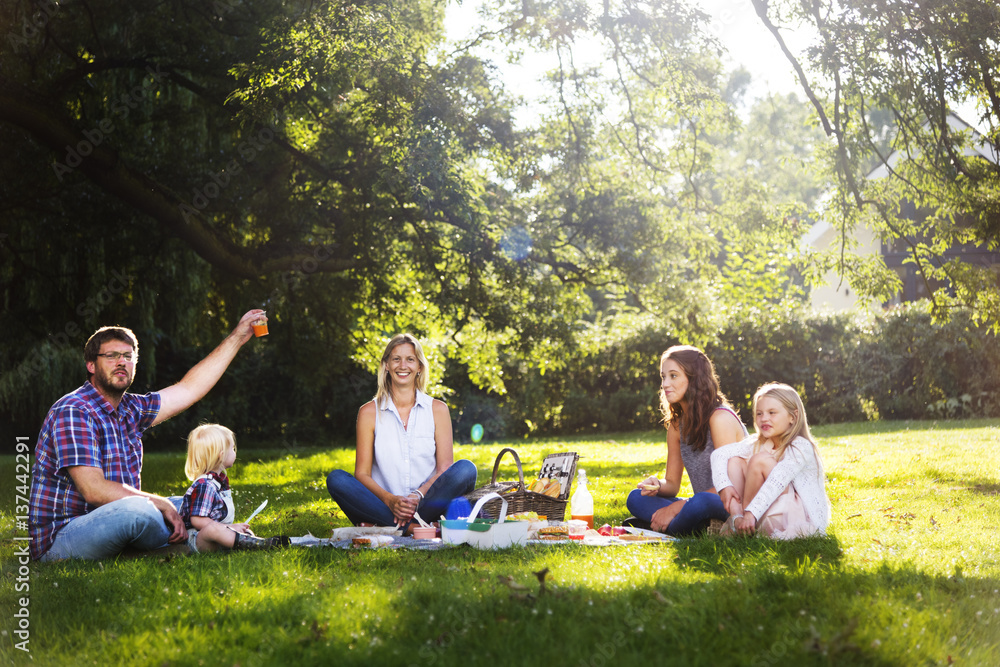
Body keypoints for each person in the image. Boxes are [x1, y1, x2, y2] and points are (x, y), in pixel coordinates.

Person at [29, 309, 266, 561]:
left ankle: (203, 533)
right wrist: (161, 504)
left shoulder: (132, 408)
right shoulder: (74, 410)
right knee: (140, 511)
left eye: (128, 356)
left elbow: (189, 388)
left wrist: (239, 336)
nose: (121, 362)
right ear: (91, 365)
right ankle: (192, 543)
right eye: (111, 356)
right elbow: (94, 490)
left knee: (204, 503)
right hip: (63, 535)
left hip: (115, 516)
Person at [326, 333, 477, 531]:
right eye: (396, 359)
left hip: (426, 503)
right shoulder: (368, 412)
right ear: (386, 365)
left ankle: (384, 525)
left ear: (419, 367)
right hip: (382, 503)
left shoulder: (438, 409)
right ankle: (416, 528)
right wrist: (390, 500)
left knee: (466, 469)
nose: (403, 365)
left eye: (410, 359)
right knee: (336, 479)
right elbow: (362, 474)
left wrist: (418, 495)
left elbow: (445, 467)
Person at [626, 345, 747, 535]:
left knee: (699, 502)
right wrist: (657, 485)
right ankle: (696, 527)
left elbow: (732, 488)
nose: (665, 384)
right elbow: (673, 484)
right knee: (635, 498)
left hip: (730, 502)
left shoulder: (720, 418)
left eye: (673, 376)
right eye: (663, 377)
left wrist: (675, 508)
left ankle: (665, 528)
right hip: (697, 505)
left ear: (694, 379)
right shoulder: (676, 425)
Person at [711, 383, 831, 539]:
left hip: (795, 515)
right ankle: (738, 521)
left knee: (760, 461)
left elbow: (776, 482)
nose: (764, 418)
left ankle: (744, 526)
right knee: (734, 461)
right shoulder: (758, 442)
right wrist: (725, 488)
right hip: (762, 508)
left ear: (792, 417)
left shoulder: (800, 446)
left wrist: (751, 513)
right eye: (759, 413)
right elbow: (718, 455)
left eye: (772, 412)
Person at [179, 423, 289, 552]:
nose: (234, 452)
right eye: (232, 449)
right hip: (195, 541)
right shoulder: (205, 485)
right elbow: (198, 520)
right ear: (221, 455)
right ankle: (258, 545)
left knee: (244, 530)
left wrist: (232, 529)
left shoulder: (216, 482)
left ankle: (255, 543)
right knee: (213, 530)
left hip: (212, 536)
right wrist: (228, 528)